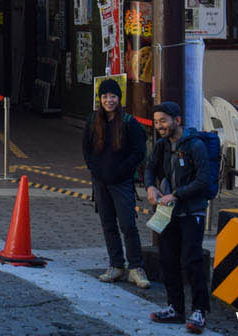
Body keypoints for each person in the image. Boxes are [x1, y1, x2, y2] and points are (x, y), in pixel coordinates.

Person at [145, 101, 213, 333]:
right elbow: (149, 168)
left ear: (177, 120)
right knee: (167, 259)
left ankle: (200, 310)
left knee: (191, 260)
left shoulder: (195, 146)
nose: (159, 126)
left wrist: (176, 194)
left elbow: (203, 181)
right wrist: (150, 188)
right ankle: (175, 307)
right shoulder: (161, 145)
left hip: (191, 211)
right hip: (168, 212)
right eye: (156, 122)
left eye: (163, 121)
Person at [82, 79, 149, 289]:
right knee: (107, 224)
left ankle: (136, 267)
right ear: (99, 99)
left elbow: (139, 152)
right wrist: (95, 170)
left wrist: (123, 170)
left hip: (122, 182)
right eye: (105, 97)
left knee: (128, 224)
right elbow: (86, 149)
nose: (109, 101)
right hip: (100, 182)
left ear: (119, 99)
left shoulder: (129, 123)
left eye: (113, 96)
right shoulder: (93, 121)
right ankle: (116, 264)